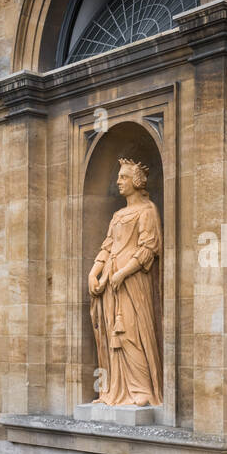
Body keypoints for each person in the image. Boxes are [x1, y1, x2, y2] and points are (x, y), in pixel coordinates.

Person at [88, 158, 163, 407]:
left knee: (132, 332)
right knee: (113, 334)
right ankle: (114, 391)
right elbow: (107, 247)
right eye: (119, 177)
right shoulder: (118, 215)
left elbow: (148, 249)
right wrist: (94, 272)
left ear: (136, 181)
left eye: (123, 177)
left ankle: (141, 389)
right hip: (112, 282)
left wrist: (124, 273)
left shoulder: (147, 211)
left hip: (133, 282)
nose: (118, 181)